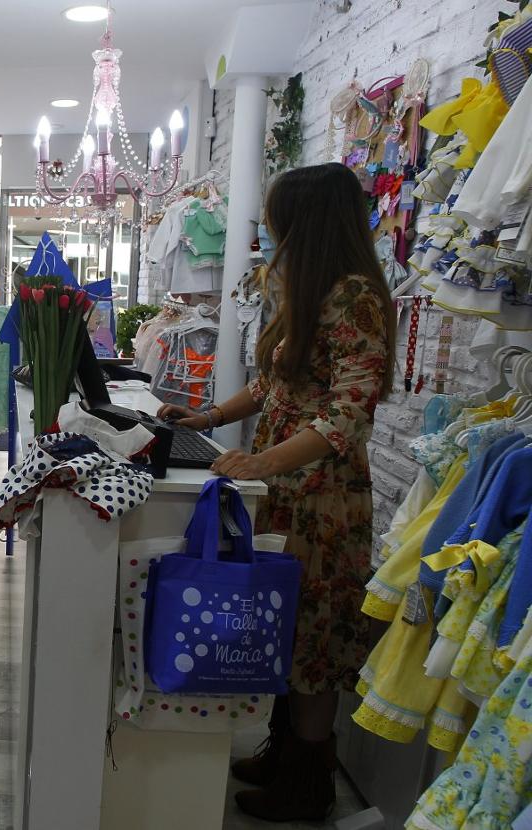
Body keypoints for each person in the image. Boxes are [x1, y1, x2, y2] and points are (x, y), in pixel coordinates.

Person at [158, 163, 396, 822]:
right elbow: (274, 385)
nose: (271, 235)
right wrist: (204, 419)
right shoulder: (312, 289)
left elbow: (348, 413)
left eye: (278, 222)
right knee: (289, 631)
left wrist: (263, 457)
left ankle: (307, 780)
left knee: (315, 640)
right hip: (286, 492)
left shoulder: (354, 298)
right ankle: (284, 749)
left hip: (323, 500)